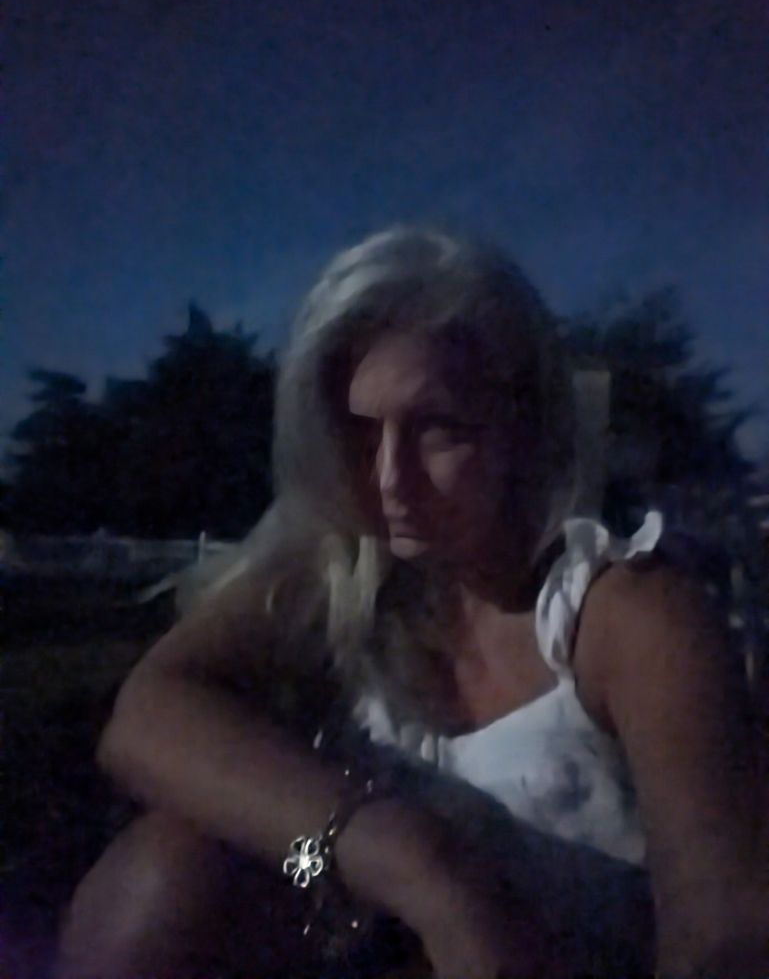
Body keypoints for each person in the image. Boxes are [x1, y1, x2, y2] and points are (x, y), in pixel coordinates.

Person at [56, 228, 768, 979]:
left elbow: (721, 935)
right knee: (166, 871)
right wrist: (411, 863)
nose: (390, 476)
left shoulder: (623, 615)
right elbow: (143, 718)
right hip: (337, 881)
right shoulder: (340, 577)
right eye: (361, 433)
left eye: (437, 428)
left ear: (523, 427)